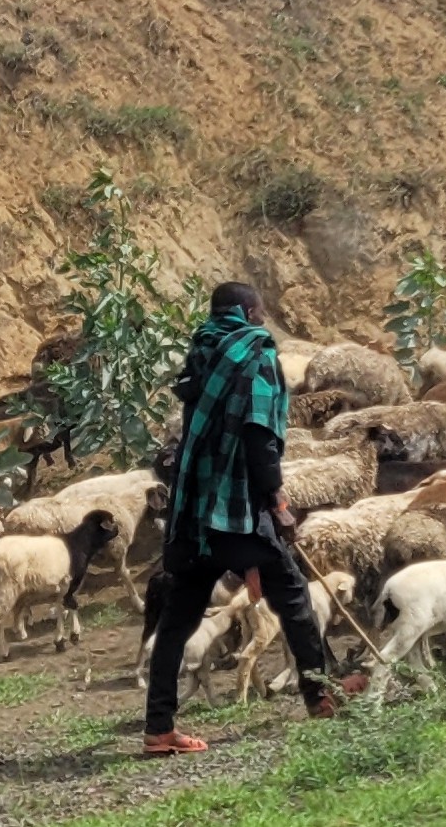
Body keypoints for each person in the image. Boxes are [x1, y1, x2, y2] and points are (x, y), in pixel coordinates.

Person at [143, 282, 334, 755]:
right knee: (292, 594)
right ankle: (321, 695)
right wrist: (278, 502)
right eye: (261, 310)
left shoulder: (202, 349)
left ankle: (158, 728)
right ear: (250, 311)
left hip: (193, 510)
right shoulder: (255, 353)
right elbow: (258, 435)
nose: (262, 319)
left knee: (177, 618)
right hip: (236, 509)